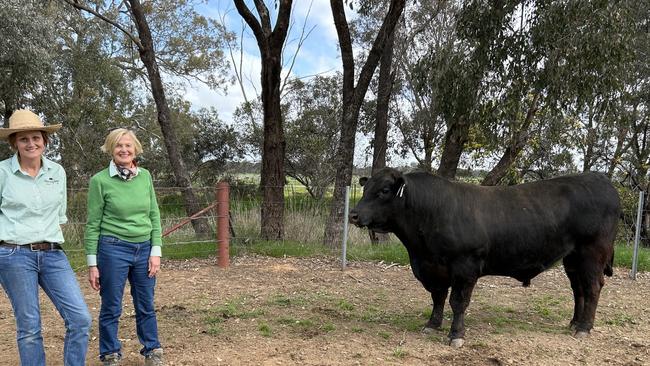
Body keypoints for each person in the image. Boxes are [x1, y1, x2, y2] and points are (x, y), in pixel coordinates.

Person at [0, 109, 92, 366]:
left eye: (36, 138)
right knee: (29, 326)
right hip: (13, 254)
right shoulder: (2, 173)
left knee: (80, 318)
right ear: (14, 143)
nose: (31, 143)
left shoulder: (57, 172)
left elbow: (60, 215)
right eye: (23, 139)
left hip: (52, 253)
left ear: (45, 140)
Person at [85, 128, 164, 366]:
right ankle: (110, 353)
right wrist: (92, 263)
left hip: (144, 248)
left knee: (146, 303)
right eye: (118, 146)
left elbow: (154, 215)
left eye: (128, 145)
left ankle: (152, 349)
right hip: (112, 248)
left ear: (135, 149)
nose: (124, 150)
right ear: (111, 149)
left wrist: (156, 251)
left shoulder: (145, 176)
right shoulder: (100, 181)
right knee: (111, 305)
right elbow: (92, 224)